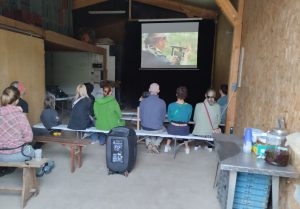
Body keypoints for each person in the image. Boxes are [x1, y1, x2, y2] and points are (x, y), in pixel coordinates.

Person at [0, 86, 34, 162]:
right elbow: (29, 138)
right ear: (17, 101)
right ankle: (40, 169)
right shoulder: (20, 115)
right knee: (30, 149)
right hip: (18, 153)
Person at [164, 86, 193, 154]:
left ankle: (167, 146)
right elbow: (188, 119)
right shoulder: (189, 106)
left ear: (176, 94)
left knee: (171, 126)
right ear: (186, 95)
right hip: (184, 130)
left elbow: (169, 119)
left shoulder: (171, 105)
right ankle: (187, 147)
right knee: (185, 129)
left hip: (172, 129)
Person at [139, 83, 166, 154]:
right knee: (165, 129)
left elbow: (140, 117)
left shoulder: (143, 101)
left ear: (149, 90)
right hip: (157, 128)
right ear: (158, 91)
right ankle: (156, 144)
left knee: (144, 128)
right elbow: (163, 119)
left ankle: (149, 143)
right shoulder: (162, 102)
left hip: (145, 127)